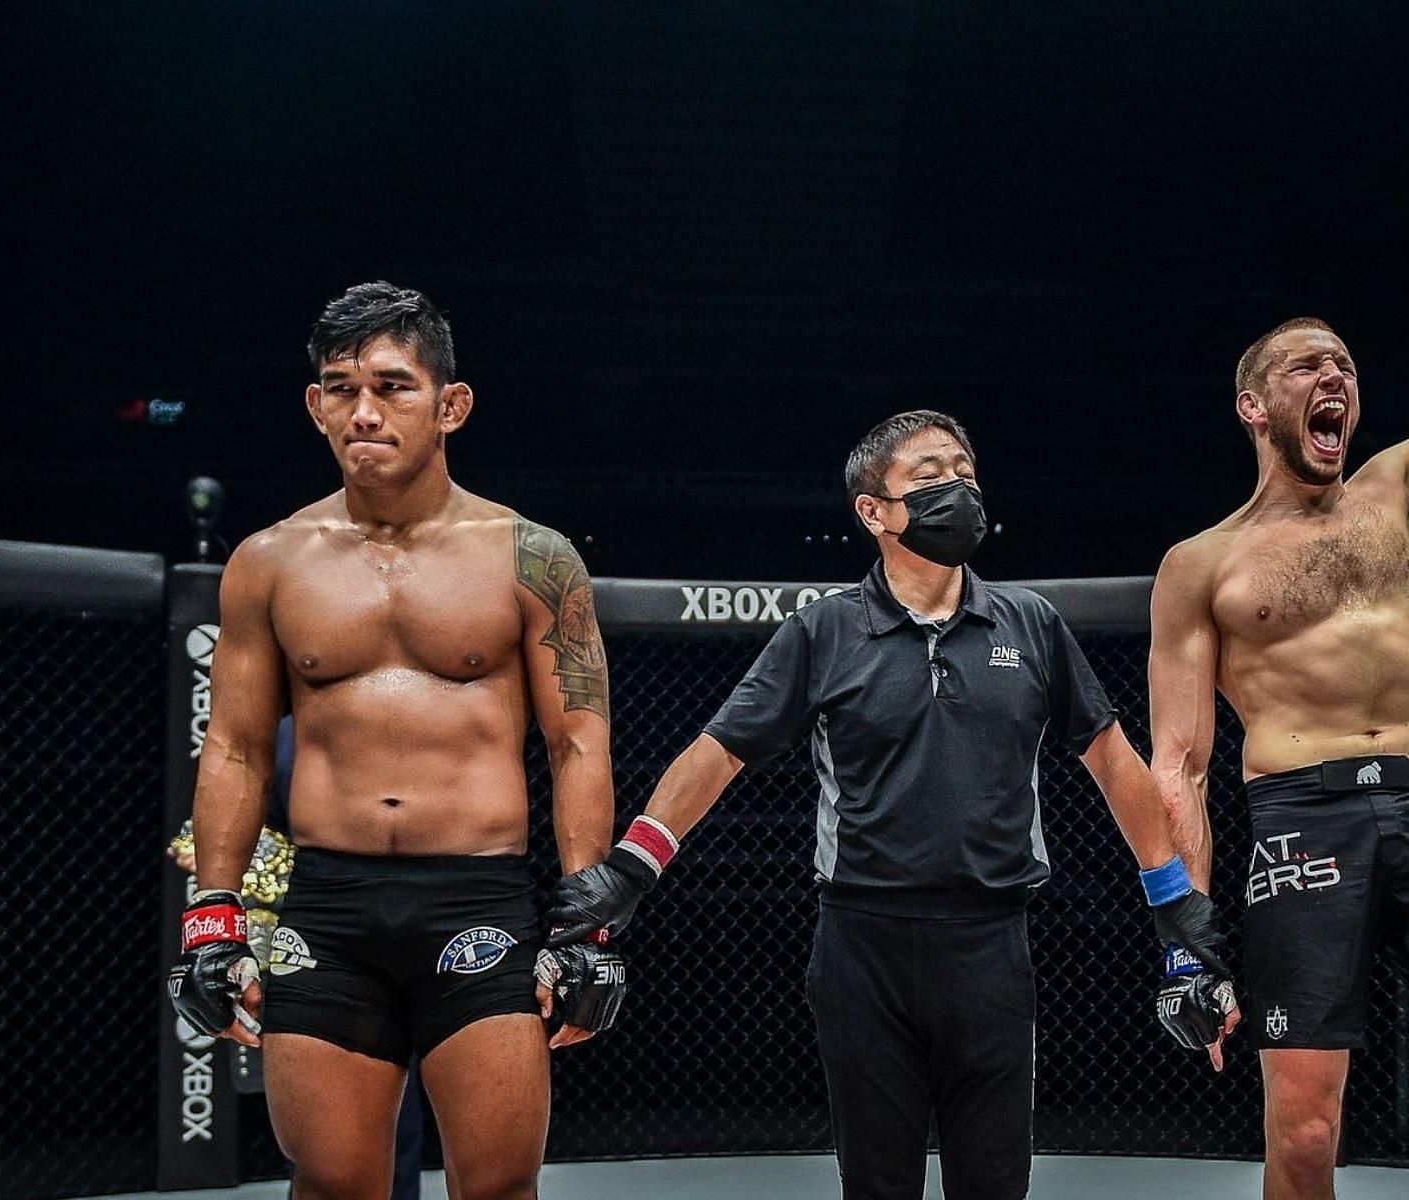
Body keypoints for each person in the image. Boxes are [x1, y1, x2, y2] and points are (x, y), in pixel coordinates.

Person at [545, 410, 1235, 1200]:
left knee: (996, 1185)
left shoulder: (1032, 625)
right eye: (931, 475)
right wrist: (634, 866)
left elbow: (1115, 763)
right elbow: (718, 752)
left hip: (991, 944)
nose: (959, 488)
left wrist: (1176, 908)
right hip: (861, 948)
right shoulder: (824, 631)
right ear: (874, 511)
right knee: (877, 1186)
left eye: (965, 471)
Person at [1147, 67, 1409, 1198]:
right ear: (1255, 404)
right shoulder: (1202, 564)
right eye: (1306, 366)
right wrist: (1184, 933)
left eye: (1343, 364)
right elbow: (1179, 765)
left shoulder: (1399, 489)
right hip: (1301, 822)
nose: (1334, 376)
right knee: (1302, 1140)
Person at [165, 282, 618, 1200]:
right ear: (313, 406)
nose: (363, 410)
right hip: (329, 907)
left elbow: (578, 743)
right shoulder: (268, 561)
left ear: (450, 404)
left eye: (392, 385)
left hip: (479, 899)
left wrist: (588, 924)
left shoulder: (533, 556)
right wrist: (212, 918)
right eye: (339, 386)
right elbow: (238, 751)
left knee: (496, 1187)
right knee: (332, 1185)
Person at [167, 714, 430, 1200]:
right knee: (321, 1113)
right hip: (312, 931)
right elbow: (216, 838)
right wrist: (251, 865)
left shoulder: (411, 721)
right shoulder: (282, 735)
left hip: (413, 921)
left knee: (398, 1094)